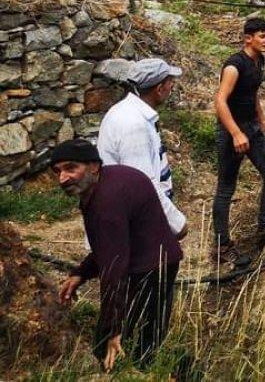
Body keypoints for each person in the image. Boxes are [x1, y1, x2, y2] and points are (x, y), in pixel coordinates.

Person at [54, 139, 183, 372]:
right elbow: (113, 245)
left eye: (71, 168)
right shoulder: (111, 179)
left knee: (133, 351)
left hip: (149, 270)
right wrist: (81, 274)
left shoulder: (106, 203)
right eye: (58, 171)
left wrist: (115, 330)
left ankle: (184, 372)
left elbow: (114, 268)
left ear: (93, 166)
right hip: (156, 260)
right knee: (137, 341)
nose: (63, 178)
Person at [96, 57, 187, 239]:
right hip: (133, 225)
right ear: (159, 89)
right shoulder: (133, 125)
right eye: (170, 83)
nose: (172, 87)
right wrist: (176, 223)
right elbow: (143, 184)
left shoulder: (127, 112)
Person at [213, 16, 265, 264]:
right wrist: (236, 133)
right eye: (262, 36)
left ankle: (264, 228)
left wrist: (261, 118)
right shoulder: (233, 66)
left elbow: (252, 92)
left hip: (252, 126)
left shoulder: (259, 60)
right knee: (226, 187)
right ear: (247, 38)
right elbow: (220, 101)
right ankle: (221, 245)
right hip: (232, 130)